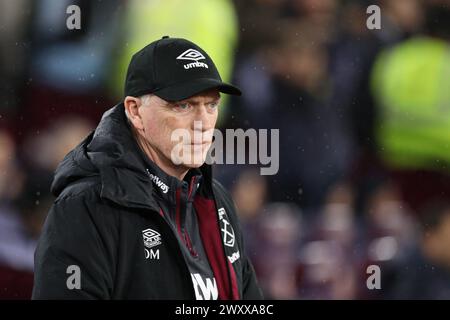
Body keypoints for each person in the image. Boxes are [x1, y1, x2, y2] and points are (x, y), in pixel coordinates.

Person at [32, 36, 263, 300]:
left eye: (211, 105)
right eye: (183, 105)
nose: (203, 122)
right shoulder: (85, 209)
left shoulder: (216, 200)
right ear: (135, 111)